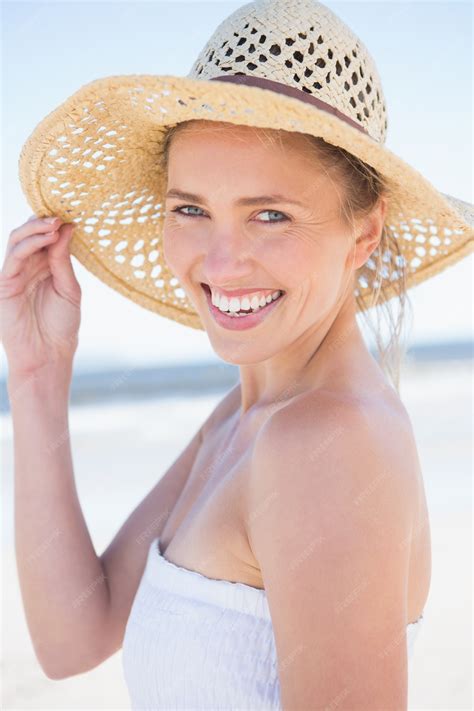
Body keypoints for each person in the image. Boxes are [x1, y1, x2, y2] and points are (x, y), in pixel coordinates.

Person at [2, 0, 472, 708]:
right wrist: (38, 375)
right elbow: (76, 634)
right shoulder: (246, 417)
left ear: (365, 231)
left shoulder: (326, 443)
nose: (221, 262)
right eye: (190, 208)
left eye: (270, 214)